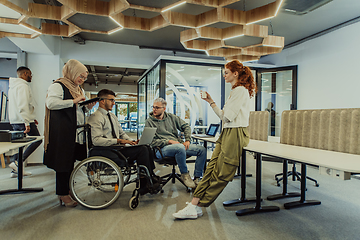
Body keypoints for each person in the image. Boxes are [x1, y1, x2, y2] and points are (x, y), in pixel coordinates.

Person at [173, 60, 256, 219]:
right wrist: (211, 102)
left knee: (222, 173)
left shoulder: (240, 91)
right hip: (227, 133)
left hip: (235, 133)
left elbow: (227, 117)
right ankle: (194, 204)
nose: (224, 75)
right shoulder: (236, 90)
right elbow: (226, 117)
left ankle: (198, 204)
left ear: (235, 73)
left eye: (226, 72)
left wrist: (213, 104)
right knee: (211, 169)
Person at [87, 89, 161, 195]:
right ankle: (145, 183)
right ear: (102, 101)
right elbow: (96, 140)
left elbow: (121, 133)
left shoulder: (112, 116)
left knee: (146, 147)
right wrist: (119, 140)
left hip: (117, 149)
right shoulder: (95, 117)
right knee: (143, 150)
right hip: (107, 150)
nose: (113, 103)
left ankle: (150, 175)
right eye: (111, 100)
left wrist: (132, 141)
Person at [43, 59, 95, 208]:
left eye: (85, 78)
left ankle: (67, 190)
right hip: (62, 131)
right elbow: (51, 103)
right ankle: (62, 194)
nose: (82, 80)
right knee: (62, 164)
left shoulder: (79, 89)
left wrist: (87, 107)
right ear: (72, 72)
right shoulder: (58, 85)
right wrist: (73, 101)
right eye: (81, 76)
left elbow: (79, 110)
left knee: (70, 163)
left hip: (75, 131)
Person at [145, 98, 207, 189]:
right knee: (179, 147)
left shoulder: (171, 117)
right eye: (153, 107)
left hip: (178, 145)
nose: (154, 109)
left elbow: (186, 126)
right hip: (161, 149)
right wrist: (169, 141)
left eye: (157, 107)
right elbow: (150, 141)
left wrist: (187, 140)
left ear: (164, 109)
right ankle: (184, 175)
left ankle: (197, 178)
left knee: (202, 150)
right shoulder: (149, 122)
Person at [8, 66, 42, 178]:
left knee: (20, 144)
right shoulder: (22, 86)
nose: (31, 76)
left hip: (15, 120)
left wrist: (31, 117)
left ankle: (16, 171)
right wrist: (27, 122)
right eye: (30, 74)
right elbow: (22, 105)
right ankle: (17, 163)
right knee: (37, 140)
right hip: (22, 120)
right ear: (25, 73)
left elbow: (17, 105)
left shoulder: (13, 86)